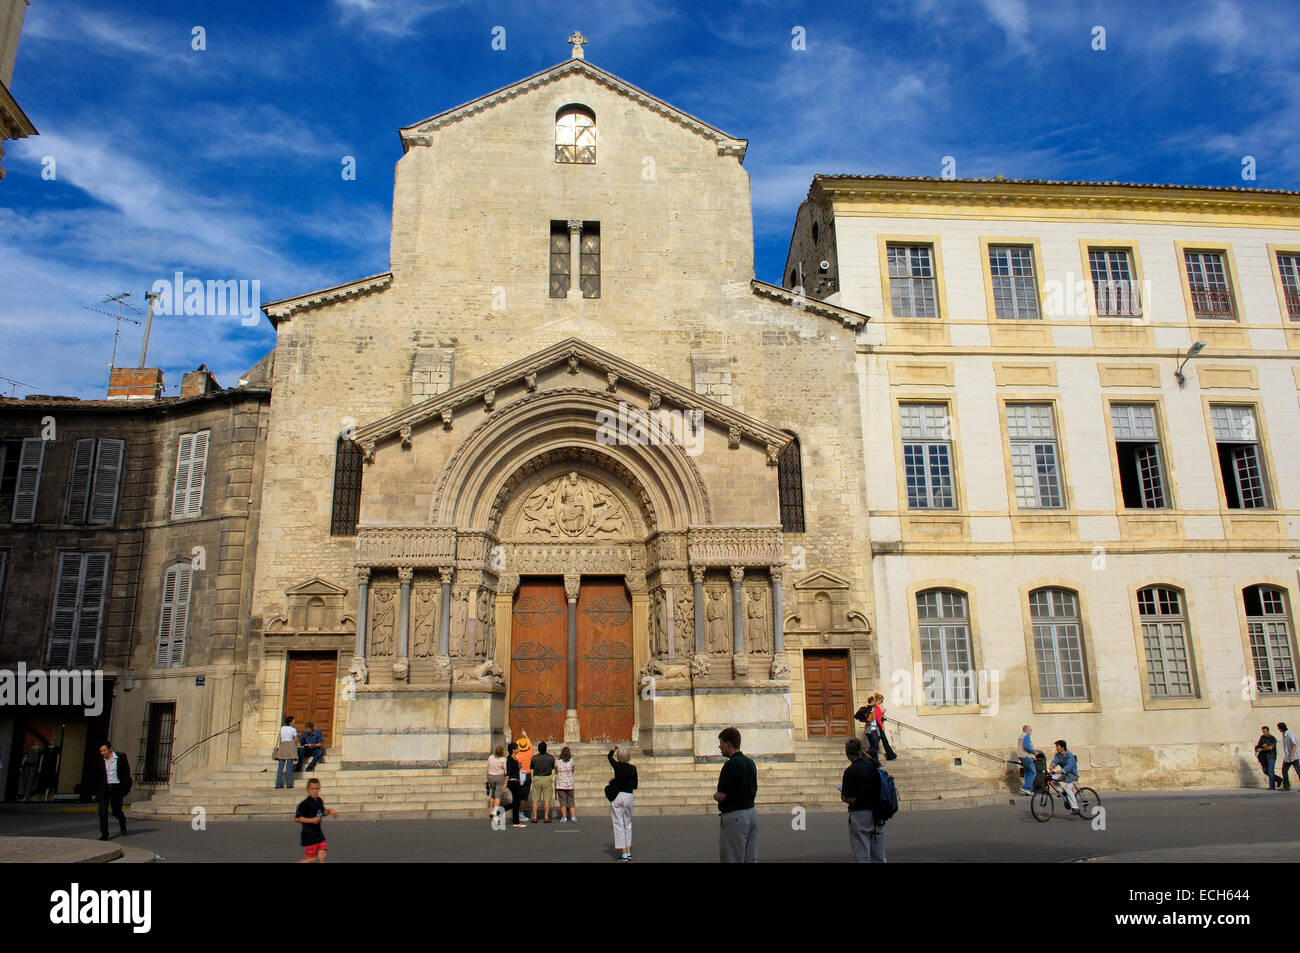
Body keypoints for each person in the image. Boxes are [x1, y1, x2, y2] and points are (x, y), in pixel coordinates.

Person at [714, 726, 758, 863]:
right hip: (751, 813)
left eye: (721, 742)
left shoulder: (730, 765)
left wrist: (715, 796)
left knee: (732, 856)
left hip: (735, 815)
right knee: (750, 856)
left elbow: (722, 795)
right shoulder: (750, 763)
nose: (719, 746)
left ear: (728, 744)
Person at [840, 737, 885, 863]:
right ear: (861, 751)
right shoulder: (873, 765)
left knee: (862, 855)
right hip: (877, 812)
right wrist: (864, 752)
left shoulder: (850, 771)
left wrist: (843, 797)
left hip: (860, 813)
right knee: (879, 856)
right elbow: (874, 762)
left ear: (847, 753)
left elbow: (852, 799)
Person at [93, 741, 132, 841]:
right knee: (102, 811)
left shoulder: (121, 757)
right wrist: (94, 793)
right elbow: (95, 777)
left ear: (110, 749)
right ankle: (104, 833)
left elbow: (126, 773)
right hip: (104, 788)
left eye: (104, 750)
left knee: (116, 810)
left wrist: (124, 787)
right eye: (101, 751)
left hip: (116, 788)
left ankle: (122, 822)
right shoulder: (99, 761)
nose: (103, 753)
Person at [607, 744, 638, 861]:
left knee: (618, 823)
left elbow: (609, 757)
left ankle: (623, 852)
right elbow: (635, 786)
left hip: (618, 795)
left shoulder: (617, 766)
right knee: (628, 824)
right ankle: (628, 851)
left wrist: (615, 748)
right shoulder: (633, 768)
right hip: (628, 795)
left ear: (619, 756)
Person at [294, 777, 336, 862]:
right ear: (308, 789)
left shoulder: (319, 800)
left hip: (318, 834)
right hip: (308, 835)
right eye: (312, 789)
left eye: (317, 788)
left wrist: (329, 811)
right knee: (311, 859)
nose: (315, 791)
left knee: (322, 856)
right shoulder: (304, 804)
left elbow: (322, 813)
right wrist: (311, 820)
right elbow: (297, 818)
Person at [1049, 740, 1080, 812]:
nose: (1056, 748)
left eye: (1058, 746)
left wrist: (1061, 771)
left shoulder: (1070, 755)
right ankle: (1062, 792)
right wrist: (1051, 766)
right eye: (1056, 746)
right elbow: (1054, 762)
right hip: (1064, 775)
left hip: (1072, 775)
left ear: (1063, 747)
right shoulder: (1058, 755)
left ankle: (1075, 808)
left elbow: (1069, 766)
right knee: (1051, 779)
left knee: (1068, 789)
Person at [530, 741, 556, 823]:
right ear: (546, 748)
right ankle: (546, 817)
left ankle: (534, 817)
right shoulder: (551, 757)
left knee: (535, 799)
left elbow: (532, 767)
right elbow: (553, 767)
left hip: (537, 778)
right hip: (547, 778)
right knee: (547, 799)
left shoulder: (534, 758)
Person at [505, 741, 529, 828]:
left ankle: (515, 820)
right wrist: (505, 783)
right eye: (517, 748)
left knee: (516, 802)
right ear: (513, 750)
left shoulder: (514, 759)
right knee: (517, 801)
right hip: (513, 781)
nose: (518, 749)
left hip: (515, 781)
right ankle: (515, 821)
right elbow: (508, 773)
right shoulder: (510, 759)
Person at [1255, 726, 1283, 790]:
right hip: (1263, 758)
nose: (1264, 733)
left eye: (1265, 731)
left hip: (1271, 756)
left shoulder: (1272, 738)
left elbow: (1271, 747)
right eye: (1263, 732)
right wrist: (1260, 747)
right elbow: (1258, 746)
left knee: (1270, 771)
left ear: (1268, 731)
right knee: (1265, 771)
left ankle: (1272, 786)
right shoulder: (1262, 738)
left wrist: (1262, 749)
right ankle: (1279, 779)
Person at [513, 735, 534, 820]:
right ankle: (521, 814)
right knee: (524, 797)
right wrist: (526, 735)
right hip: (527, 774)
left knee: (518, 795)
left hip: (519, 774)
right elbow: (531, 745)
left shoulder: (517, 756)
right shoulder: (530, 752)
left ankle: (517, 812)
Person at [275, 716, 299, 789]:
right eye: (293, 720)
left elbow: (281, 737)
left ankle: (278, 784)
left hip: (283, 745)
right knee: (289, 766)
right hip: (290, 746)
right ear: (290, 722)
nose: (294, 722)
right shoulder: (293, 729)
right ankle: (288, 784)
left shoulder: (282, 728)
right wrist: (297, 744)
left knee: (280, 766)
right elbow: (295, 739)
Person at [872, 693, 897, 760]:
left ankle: (890, 755)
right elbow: (878, 718)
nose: (881, 702)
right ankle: (890, 755)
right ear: (879, 700)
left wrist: (882, 712)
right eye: (881, 701)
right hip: (878, 726)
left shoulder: (875, 706)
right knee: (883, 741)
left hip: (877, 725)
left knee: (882, 741)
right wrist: (882, 726)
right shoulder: (876, 706)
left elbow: (878, 715)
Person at [486, 744, 508, 818]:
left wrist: (487, 778)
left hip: (491, 776)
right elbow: (505, 770)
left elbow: (487, 768)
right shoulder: (503, 759)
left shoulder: (490, 757)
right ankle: (495, 812)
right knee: (498, 795)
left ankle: (491, 810)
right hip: (499, 777)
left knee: (493, 794)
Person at [555, 746, 577, 823]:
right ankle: (573, 817)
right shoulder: (571, 761)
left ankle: (564, 817)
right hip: (570, 783)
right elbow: (573, 769)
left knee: (562, 801)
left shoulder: (557, 761)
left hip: (560, 784)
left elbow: (556, 770)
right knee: (571, 801)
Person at [1017, 725, 1038, 796]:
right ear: (1026, 730)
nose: (1031, 730)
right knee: (1033, 772)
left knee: (1027, 773)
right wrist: (1034, 752)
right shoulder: (1026, 736)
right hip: (1026, 756)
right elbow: (1026, 747)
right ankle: (1026, 787)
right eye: (1030, 729)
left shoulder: (1021, 736)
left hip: (1021, 755)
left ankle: (1029, 790)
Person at [1279, 723, 1300, 791]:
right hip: (1287, 757)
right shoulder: (1284, 735)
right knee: (1284, 771)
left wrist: (1292, 755)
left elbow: (1294, 745)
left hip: (1293, 757)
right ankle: (1286, 786)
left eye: (1279, 728)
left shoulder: (1290, 735)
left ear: (1281, 728)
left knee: (1298, 771)